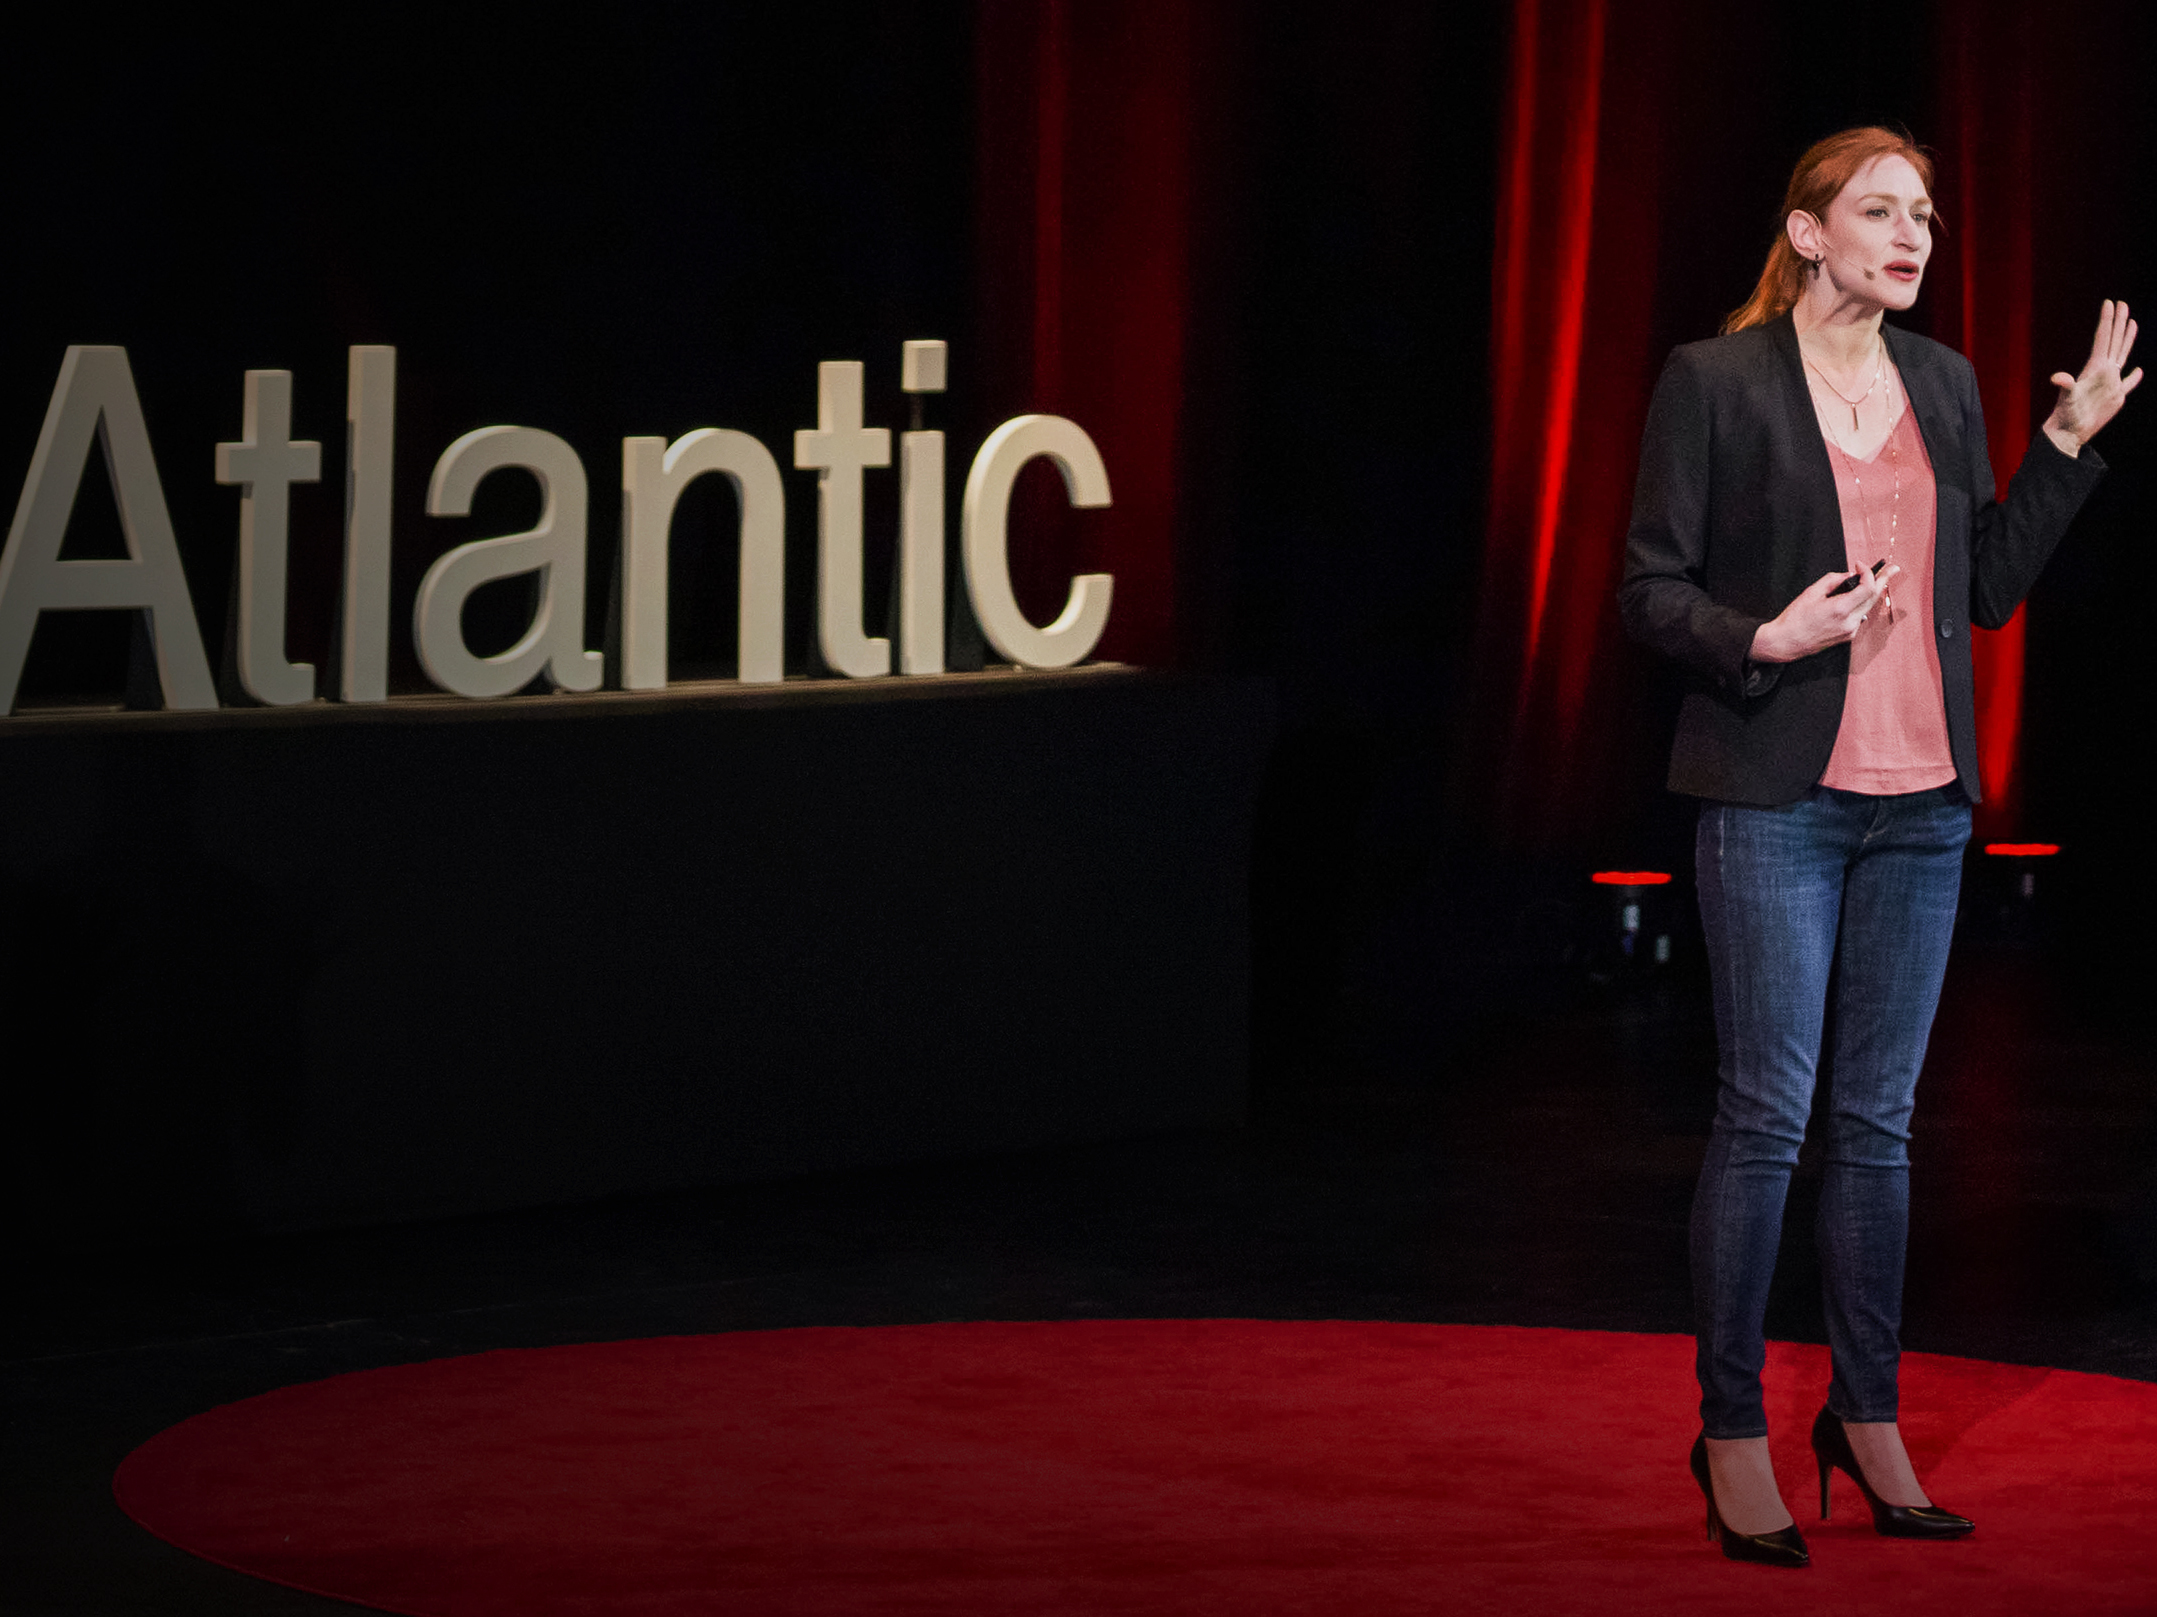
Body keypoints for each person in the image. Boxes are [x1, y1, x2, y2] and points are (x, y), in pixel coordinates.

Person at [1618, 126, 2139, 1568]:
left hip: (1920, 803)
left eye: (1923, 215)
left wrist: (2063, 444)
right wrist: (1759, 634)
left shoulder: (1944, 381)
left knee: (1876, 1129)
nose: (1911, 234)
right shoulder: (1712, 381)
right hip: (1776, 793)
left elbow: (1985, 587)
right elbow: (1648, 589)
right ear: (1804, 232)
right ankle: (1732, 1430)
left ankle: (1867, 1413)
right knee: (1767, 1120)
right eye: (1878, 209)